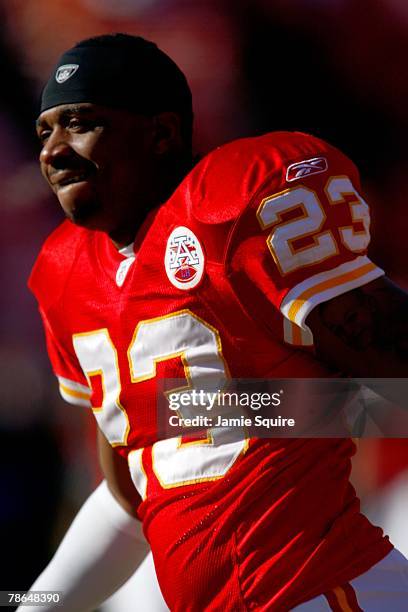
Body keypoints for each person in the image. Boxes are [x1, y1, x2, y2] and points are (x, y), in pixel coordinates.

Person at [24, 32, 408, 611]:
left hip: (326, 591)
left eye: (80, 121)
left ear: (161, 133)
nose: (54, 150)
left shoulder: (232, 204)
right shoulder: (66, 272)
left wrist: (276, 408)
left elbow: (396, 368)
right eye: (44, 130)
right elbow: (132, 494)